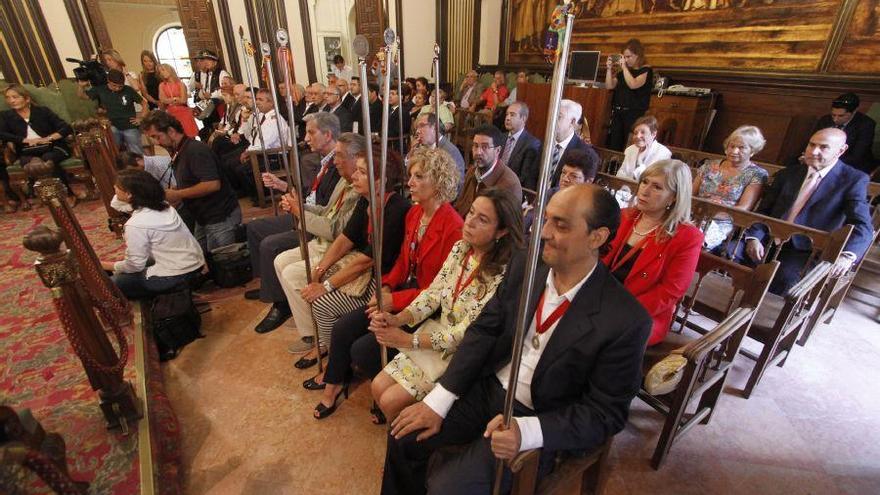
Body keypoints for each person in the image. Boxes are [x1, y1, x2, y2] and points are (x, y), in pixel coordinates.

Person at [381, 184, 652, 494]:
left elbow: (606, 413)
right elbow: (485, 330)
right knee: (403, 435)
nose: (544, 232)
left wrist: (530, 431)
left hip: (542, 413)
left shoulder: (625, 320)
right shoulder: (526, 265)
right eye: (545, 219)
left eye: (560, 225)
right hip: (489, 388)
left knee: (448, 487)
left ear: (597, 237)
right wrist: (439, 400)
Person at [311, 148, 463, 420]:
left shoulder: (453, 227)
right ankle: (334, 386)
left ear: (438, 182)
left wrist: (396, 301)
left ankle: (390, 399)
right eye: (411, 176)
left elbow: (439, 290)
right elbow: (404, 260)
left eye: (419, 177)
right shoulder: (415, 214)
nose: (410, 183)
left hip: (428, 306)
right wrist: (387, 287)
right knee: (345, 326)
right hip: (405, 291)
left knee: (364, 348)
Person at [369, 188, 524, 422]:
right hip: (435, 335)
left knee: (390, 400)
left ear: (501, 231)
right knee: (378, 386)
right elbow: (433, 294)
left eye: (482, 220)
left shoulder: (503, 274)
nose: (469, 221)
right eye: (471, 212)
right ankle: (398, 430)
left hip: (461, 353)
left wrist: (408, 340)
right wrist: (398, 318)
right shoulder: (461, 249)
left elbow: (467, 333)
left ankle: (403, 440)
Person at [285, 148, 410, 377]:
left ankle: (336, 367)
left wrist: (326, 286)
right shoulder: (367, 200)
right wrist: (319, 270)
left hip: (384, 280)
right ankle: (326, 345)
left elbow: (368, 260)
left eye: (362, 172)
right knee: (311, 286)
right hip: (367, 271)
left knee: (321, 303)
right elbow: (346, 238)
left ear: (380, 180)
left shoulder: (397, 209)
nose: (354, 176)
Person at [741, 128, 872, 295]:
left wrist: (847, 256)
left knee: (783, 280)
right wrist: (754, 237)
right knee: (727, 255)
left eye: (823, 147)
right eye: (811, 145)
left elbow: (862, 225)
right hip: (768, 238)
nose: (814, 151)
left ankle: (757, 317)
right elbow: (764, 210)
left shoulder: (853, 180)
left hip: (805, 249)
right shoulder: (788, 173)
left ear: (841, 150)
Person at [255, 131, 360, 339]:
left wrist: (298, 211)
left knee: (292, 272)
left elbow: (336, 230)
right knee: (280, 260)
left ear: (356, 157)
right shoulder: (342, 179)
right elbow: (325, 209)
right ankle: (307, 322)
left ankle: (314, 335)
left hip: (334, 244)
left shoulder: (358, 187)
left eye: (339, 155)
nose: (334, 161)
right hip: (322, 238)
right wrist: (299, 207)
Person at [602, 159, 702, 346]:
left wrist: (621, 310)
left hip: (640, 313)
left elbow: (671, 291)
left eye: (657, 187)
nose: (644, 191)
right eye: (644, 182)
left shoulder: (687, 236)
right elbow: (597, 258)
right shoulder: (624, 215)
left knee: (598, 336)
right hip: (601, 298)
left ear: (674, 197)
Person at [141, 110, 240, 252]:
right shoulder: (180, 150)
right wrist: (176, 190)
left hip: (220, 216)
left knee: (222, 261)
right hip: (204, 215)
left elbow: (212, 184)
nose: (157, 143)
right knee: (199, 256)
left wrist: (178, 194)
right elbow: (192, 179)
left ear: (171, 131)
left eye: (157, 137)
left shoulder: (195, 150)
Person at [100, 169, 204, 299]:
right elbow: (116, 203)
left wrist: (107, 265)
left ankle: (169, 295)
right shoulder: (164, 205)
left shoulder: (135, 224)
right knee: (139, 262)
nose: (114, 187)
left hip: (177, 276)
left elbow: (135, 265)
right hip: (196, 265)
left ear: (129, 195)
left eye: (117, 186)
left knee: (112, 283)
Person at [693, 125, 769, 249]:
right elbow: (690, 194)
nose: (734, 151)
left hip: (723, 222)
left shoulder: (756, 174)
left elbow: (744, 208)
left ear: (753, 151)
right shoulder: (709, 165)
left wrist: (711, 213)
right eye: (732, 146)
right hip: (696, 214)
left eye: (741, 147)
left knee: (694, 240)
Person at [0, 85, 77, 201]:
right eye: (8, 98)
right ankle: (40, 196)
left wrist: (48, 138)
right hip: (28, 151)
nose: (11, 101)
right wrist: (25, 140)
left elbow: (66, 128)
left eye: (15, 97)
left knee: (48, 159)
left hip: (53, 147)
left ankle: (67, 195)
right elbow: (2, 134)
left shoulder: (42, 111)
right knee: (32, 162)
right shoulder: (6, 116)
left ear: (27, 99)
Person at [523, 148, 599, 235]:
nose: (565, 179)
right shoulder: (550, 194)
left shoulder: (588, 209)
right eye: (563, 172)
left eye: (573, 176)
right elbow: (528, 220)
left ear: (588, 181)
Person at [454, 125, 523, 219]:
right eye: (475, 145)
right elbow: (459, 207)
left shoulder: (510, 184)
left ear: (497, 150)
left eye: (485, 147)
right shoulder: (472, 172)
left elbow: (506, 228)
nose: (478, 152)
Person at [81, 69, 148, 154]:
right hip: (111, 125)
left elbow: (144, 103)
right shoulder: (101, 89)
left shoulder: (128, 90)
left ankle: (140, 165)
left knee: (136, 151)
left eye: (120, 86)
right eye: (114, 85)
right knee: (111, 149)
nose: (117, 88)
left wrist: (141, 117)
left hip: (129, 125)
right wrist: (81, 86)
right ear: (108, 81)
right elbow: (83, 96)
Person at [604, 39, 653, 151]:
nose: (626, 60)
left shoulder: (646, 70)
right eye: (624, 57)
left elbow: (633, 84)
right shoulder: (623, 72)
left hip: (633, 114)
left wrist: (624, 68)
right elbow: (609, 85)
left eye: (629, 56)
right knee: (614, 144)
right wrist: (608, 69)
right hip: (618, 112)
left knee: (629, 145)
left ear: (638, 55)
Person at [811, 92, 876, 174]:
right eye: (833, 115)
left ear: (854, 112)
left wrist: (827, 163)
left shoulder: (866, 124)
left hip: (852, 165)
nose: (835, 119)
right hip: (822, 160)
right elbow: (812, 142)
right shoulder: (825, 120)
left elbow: (857, 156)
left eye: (841, 116)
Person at [546, 99, 598, 188]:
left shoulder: (585, 152)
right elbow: (531, 176)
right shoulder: (545, 145)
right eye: (552, 116)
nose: (552, 120)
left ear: (572, 122)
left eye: (558, 117)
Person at [410, 113, 464, 187]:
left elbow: (456, 185)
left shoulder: (450, 151)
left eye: (422, 126)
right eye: (417, 128)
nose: (417, 131)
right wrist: (411, 151)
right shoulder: (423, 147)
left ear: (435, 127)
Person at [189, 49, 229, 141]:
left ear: (215, 61)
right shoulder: (205, 74)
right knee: (207, 127)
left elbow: (225, 90)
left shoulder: (221, 73)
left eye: (208, 60)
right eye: (205, 60)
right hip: (208, 106)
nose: (206, 62)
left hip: (217, 107)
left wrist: (211, 95)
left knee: (216, 127)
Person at [500, 101, 541, 190]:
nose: (507, 118)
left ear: (523, 118)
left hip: (512, 190)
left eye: (512, 115)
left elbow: (525, 178)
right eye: (507, 114)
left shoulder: (532, 144)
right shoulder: (501, 138)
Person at [616, 115, 671, 181]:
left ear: (653, 134)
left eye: (643, 132)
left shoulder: (663, 153)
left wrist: (640, 160)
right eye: (635, 133)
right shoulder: (629, 150)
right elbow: (620, 174)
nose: (638, 136)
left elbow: (649, 180)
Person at [157, 64, 198, 138]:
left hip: (184, 113)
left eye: (163, 70)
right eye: (160, 72)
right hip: (171, 114)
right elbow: (162, 100)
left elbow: (183, 100)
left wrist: (170, 100)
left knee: (190, 137)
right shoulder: (162, 85)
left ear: (170, 70)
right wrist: (175, 99)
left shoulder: (181, 84)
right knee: (176, 138)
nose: (162, 73)